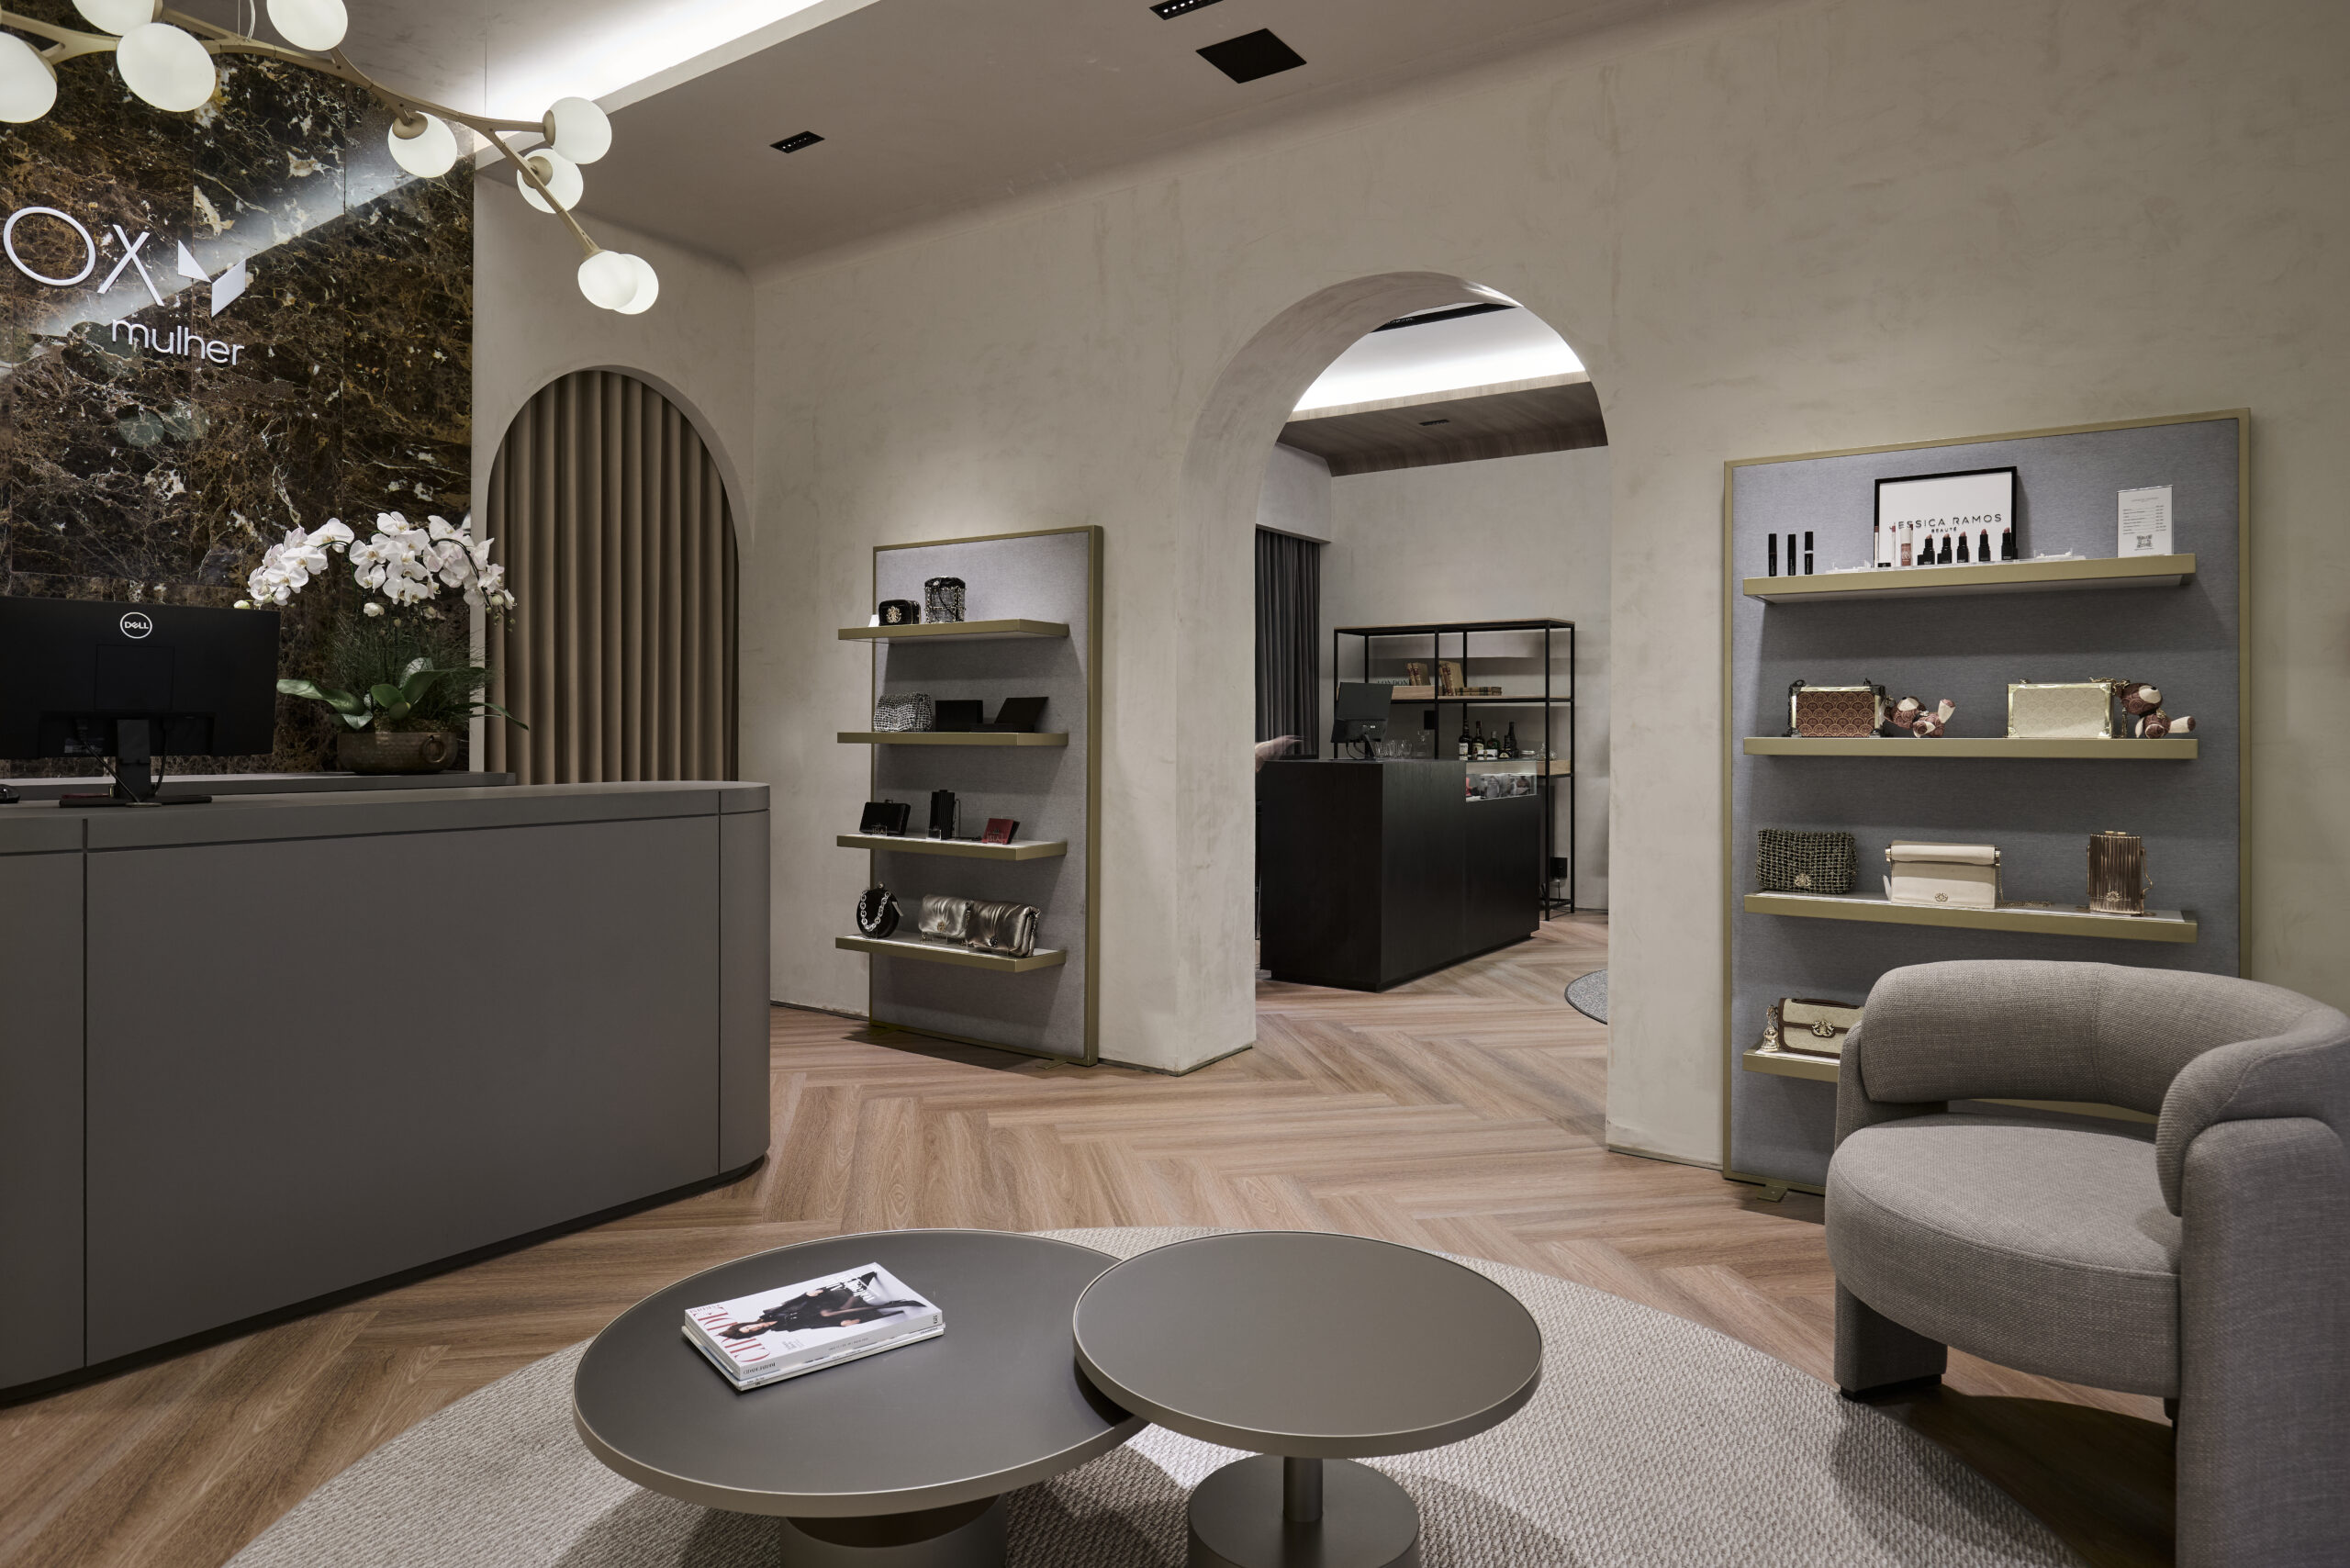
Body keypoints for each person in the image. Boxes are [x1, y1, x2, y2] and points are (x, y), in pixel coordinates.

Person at [719, 1272, 927, 1338]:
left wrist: (806, 1295)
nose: (754, 1328)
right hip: (823, 1314)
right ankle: (888, 1303)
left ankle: (880, 1299)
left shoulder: (767, 1315)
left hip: (816, 1302)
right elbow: (810, 1325)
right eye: (751, 1332)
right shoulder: (779, 1329)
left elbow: (790, 1304)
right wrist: (840, 1325)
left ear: (746, 1324)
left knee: (831, 1313)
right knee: (841, 1316)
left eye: (748, 1327)